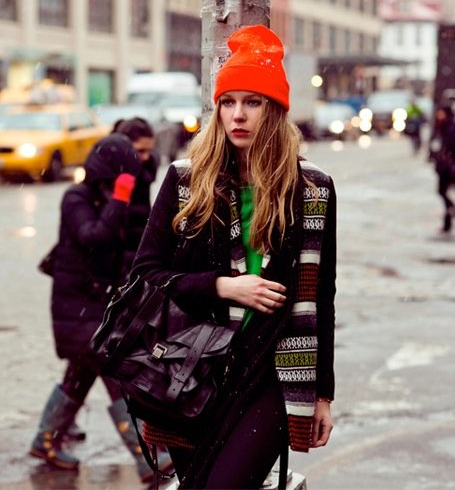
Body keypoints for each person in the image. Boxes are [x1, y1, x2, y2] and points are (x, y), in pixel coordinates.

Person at [132, 25, 336, 489]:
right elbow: (145, 276)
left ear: (275, 110)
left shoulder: (313, 189)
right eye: (228, 102)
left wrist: (323, 393)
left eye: (253, 102)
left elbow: (320, 295)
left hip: (273, 373)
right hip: (191, 370)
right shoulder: (185, 181)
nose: (238, 115)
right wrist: (222, 286)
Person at [29, 134, 172, 482]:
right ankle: (148, 456)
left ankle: (45, 440)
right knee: (115, 373)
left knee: (79, 378)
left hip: (94, 307)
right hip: (77, 307)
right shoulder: (76, 197)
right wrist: (120, 197)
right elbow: (94, 236)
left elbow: (125, 245)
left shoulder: (107, 196)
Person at [112, 117, 161, 273]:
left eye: (149, 151)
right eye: (140, 151)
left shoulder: (145, 169)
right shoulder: (110, 172)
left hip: (137, 248)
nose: (146, 157)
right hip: (118, 254)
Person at [433, 105, 455, 232]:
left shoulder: (451, 129)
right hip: (444, 167)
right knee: (442, 191)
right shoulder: (440, 128)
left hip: (449, 167)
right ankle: (448, 222)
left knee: (443, 191)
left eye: (441, 113)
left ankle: (448, 219)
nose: (439, 116)